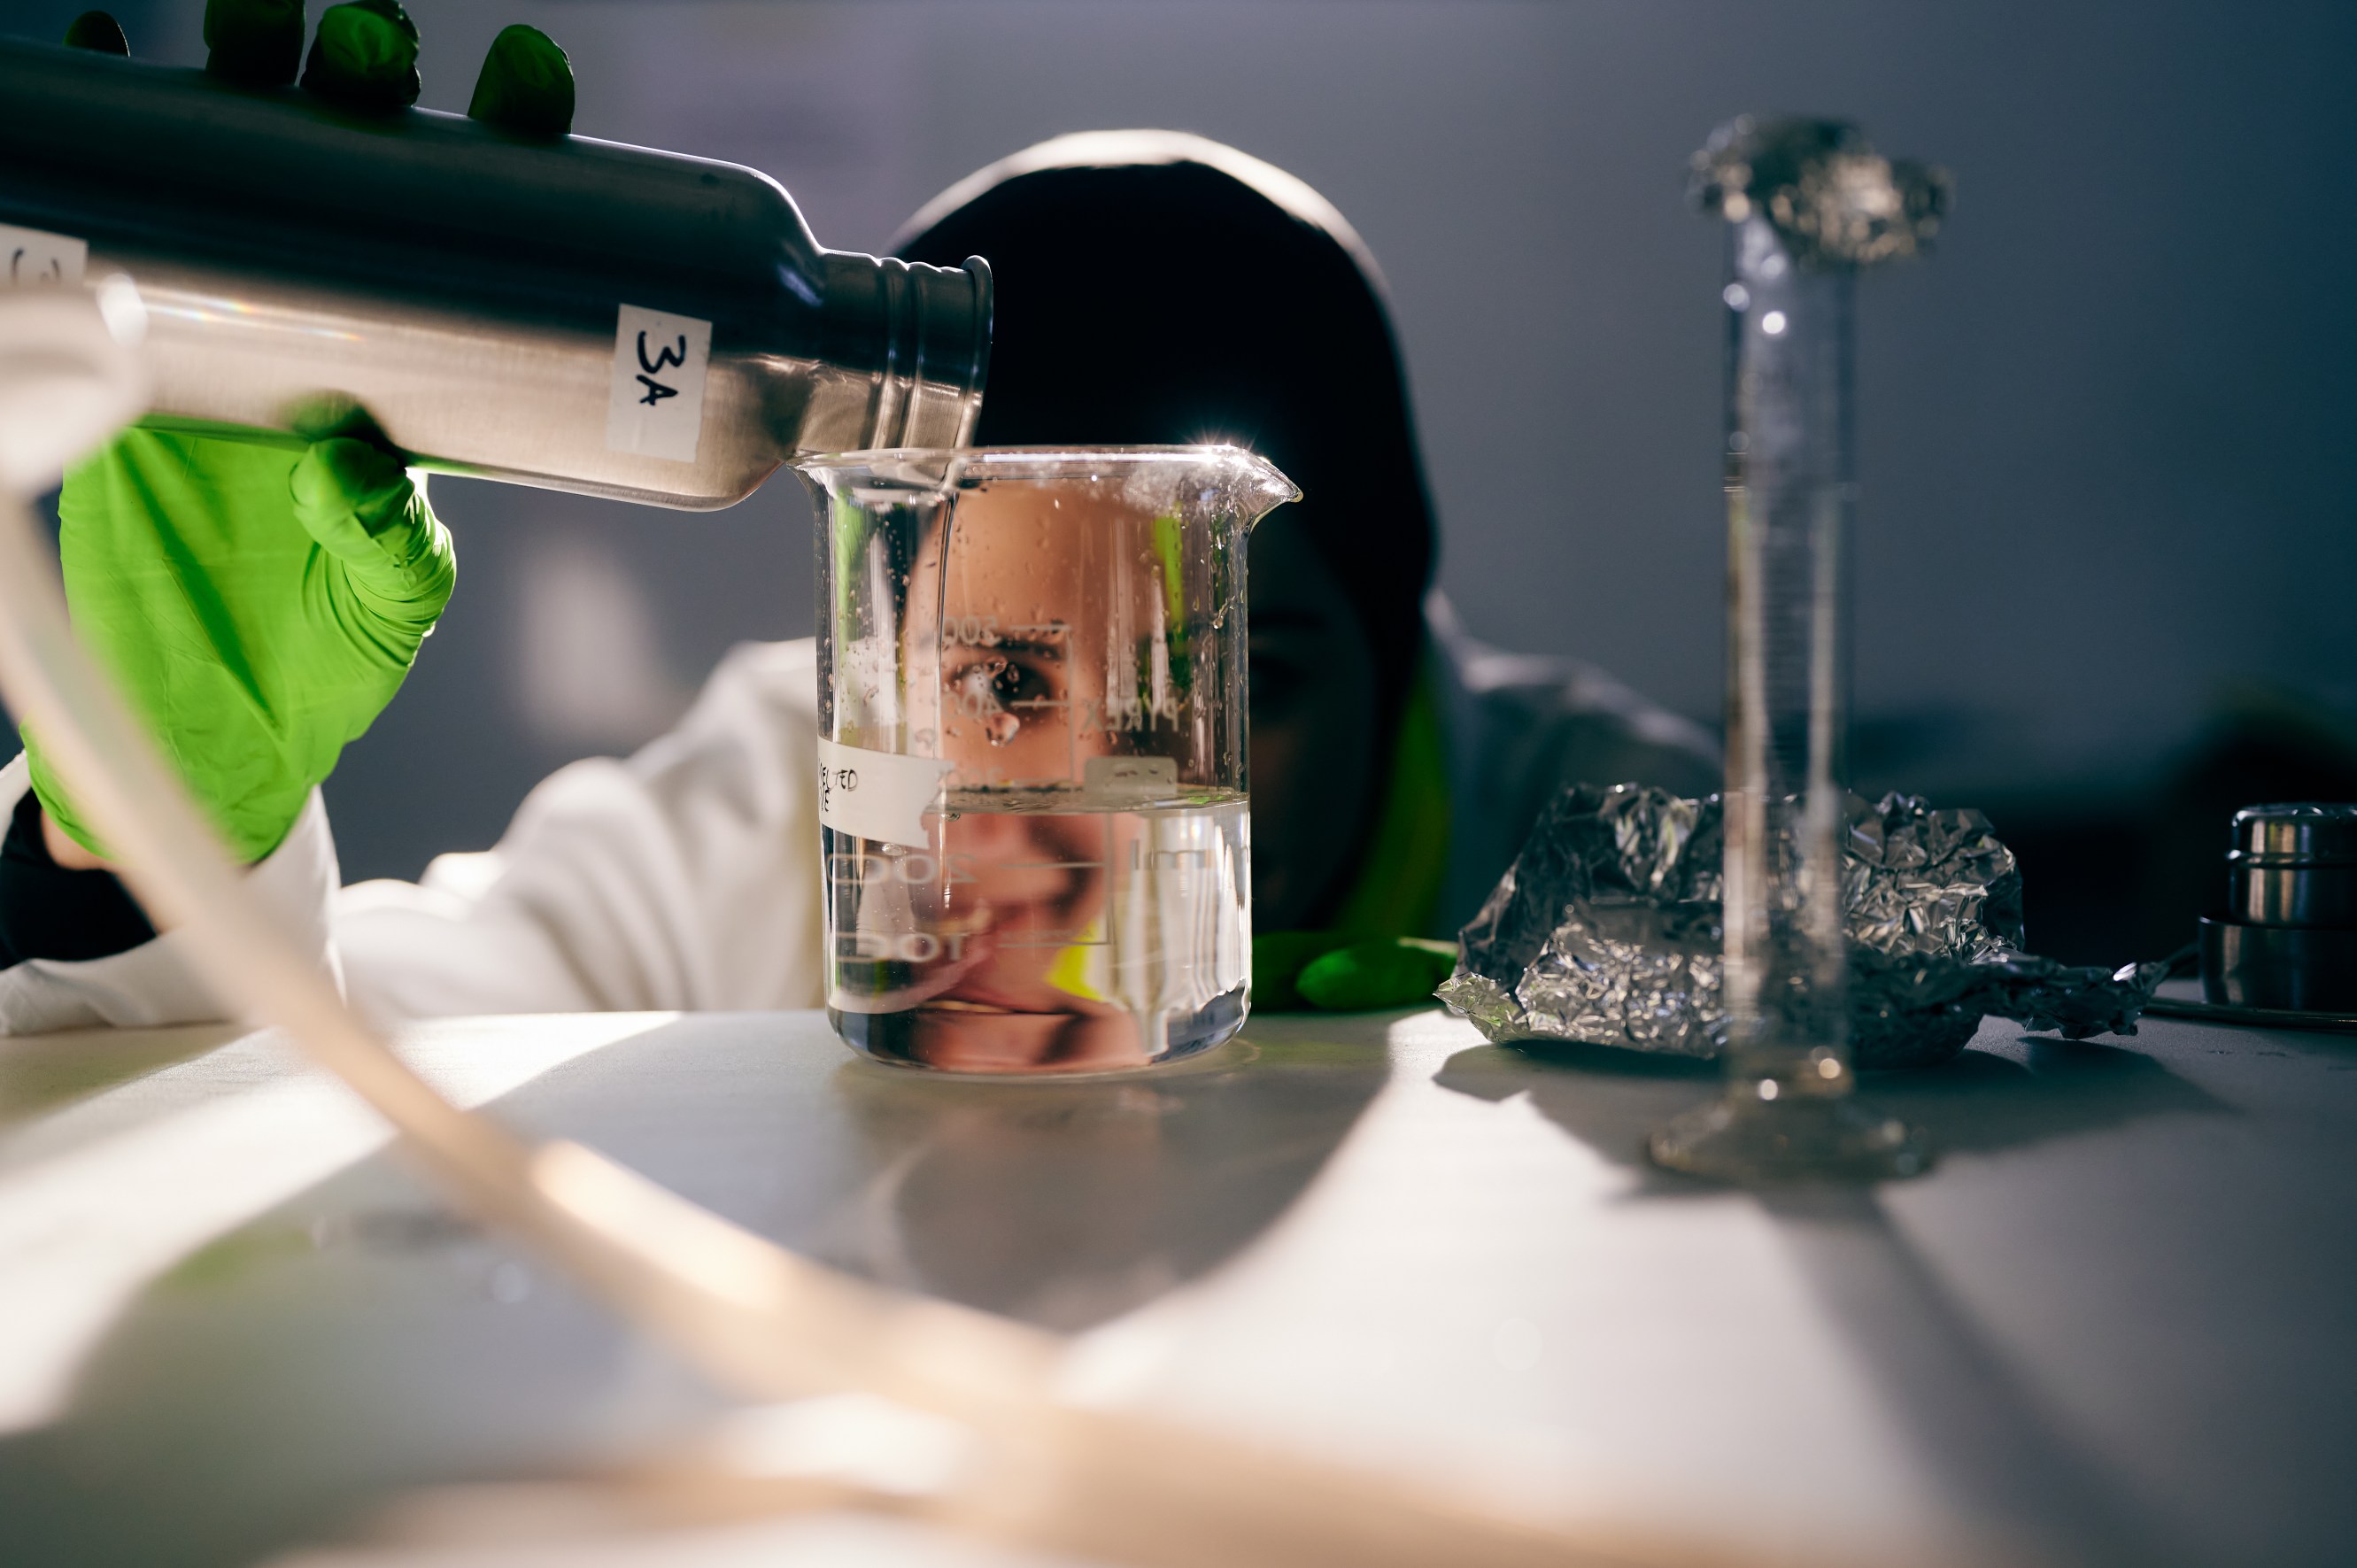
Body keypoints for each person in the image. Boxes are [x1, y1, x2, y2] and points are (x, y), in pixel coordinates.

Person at [0, 4, 1714, 1036]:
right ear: (879, 648)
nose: (1079, 818)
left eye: (1230, 685)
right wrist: (147, 835)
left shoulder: (1607, 844)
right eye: (1003, 683)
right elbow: (326, 1070)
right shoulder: (763, 804)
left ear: (1400, 631)